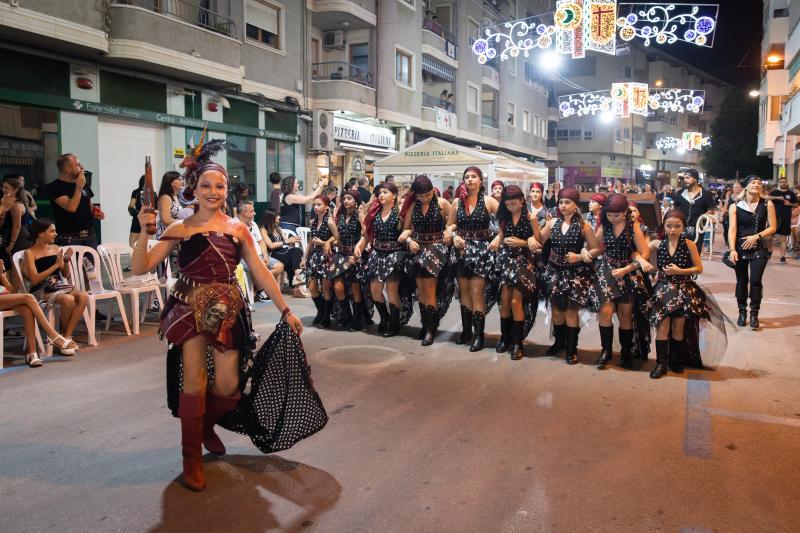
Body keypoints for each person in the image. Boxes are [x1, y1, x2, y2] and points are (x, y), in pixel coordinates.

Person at [131, 139, 315, 493]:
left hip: (227, 312)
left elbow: (260, 272)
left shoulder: (237, 229)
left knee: (229, 386)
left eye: (219, 186)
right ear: (194, 189)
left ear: (227, 190)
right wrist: (143, 231)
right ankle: (191, 458)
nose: (213, 192)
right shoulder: (180, 228)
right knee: (194, 381)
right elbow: (141, 266)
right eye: (206, 186)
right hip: (188, 309)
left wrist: (286, 309)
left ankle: (204, 425)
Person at [644, 209, 711, 378]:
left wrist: (680, 271)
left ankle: (675, 360)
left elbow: (699, 268)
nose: (673, 229)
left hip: (683, 289)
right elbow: (639, 253)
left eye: (677, 226)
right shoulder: (657, 243)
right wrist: (643, 262)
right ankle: (661, 364)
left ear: (683, 227)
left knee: (678, 328)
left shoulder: (689, 244)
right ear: (663, 226)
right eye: (669, 226)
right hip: (663, 289)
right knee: (662, 326)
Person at [540, 188, 602, 364]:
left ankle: (571, 348)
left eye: (567, 202)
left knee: (571, 311)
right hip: (554, 271)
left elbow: (596, 249)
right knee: (556, 310)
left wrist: (580, 256)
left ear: (576, 205)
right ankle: (559, 342)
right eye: (560, 202)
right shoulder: (552, 223)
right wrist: (532, 233)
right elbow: (539, 241)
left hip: (576, 274)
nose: (563, 205)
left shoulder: (584, 225)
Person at [590, 194, 652, 370]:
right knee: (605, 311)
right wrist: (585, 252)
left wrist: (627, 269)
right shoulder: (605, 226)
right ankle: (606, 350)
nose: (612, 218)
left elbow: (645, 254)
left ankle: (626, 352)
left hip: (628, 272)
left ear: (625, 212)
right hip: (607, 270)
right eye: (609, 215)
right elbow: (595, 246)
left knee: (625, 314)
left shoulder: (634, 227)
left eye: (616, 215)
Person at [447, 166, 499, 351]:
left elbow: (506, 222)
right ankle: (466, 331)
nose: (470, 179)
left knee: (477, 292)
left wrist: (498, 238)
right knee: (464, 292)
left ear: (480, 181)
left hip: (482, 253)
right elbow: (450, 225)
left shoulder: (489, 201)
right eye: (467, 177)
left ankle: (479, 335)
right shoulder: (456, 202)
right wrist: (454, 236)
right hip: (461, 252)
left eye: (473, 176)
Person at [399, 175, 453, 346]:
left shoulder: (443, 203)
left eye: (427, 195)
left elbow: (453, 223)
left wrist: (448, 231)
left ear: (433, 191)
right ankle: (426, 325)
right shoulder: (413, 206)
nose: (424, 199)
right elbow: (406, 229)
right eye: (420, 196)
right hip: (417, 249)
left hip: (436, 250)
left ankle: (431, 329)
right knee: (421, 291)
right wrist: (409, 240)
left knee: (429, 291)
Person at [491, 185, 541, 360]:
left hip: (524, 262)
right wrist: (498, 238)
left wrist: (523, 242)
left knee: (515, 302)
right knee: (504, 301)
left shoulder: (530, 218)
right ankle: (505, 338)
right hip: (506, 260)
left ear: (522, 200)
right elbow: (501, 234)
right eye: (507, 204)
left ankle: (517, 343)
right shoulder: (504, 217)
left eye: (513, 203)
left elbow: (539, 244)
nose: (511, 207)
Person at [23, 219, 90, 346]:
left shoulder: (55, 248)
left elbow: (65, 274)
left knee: (84, 296)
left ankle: (65, 336)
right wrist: (56, 265)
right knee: (67, 299)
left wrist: (66, 260)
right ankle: (64, 340)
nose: (55, 234)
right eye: (52, 231)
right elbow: (35, 279)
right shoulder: (30, 253)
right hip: (41, 289)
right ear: (40, 233)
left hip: (57, 286)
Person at [0, 259, 78, 366]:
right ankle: (53, 335)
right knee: (29, 297)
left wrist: (1, 274)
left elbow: (10, 290)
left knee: (27, 309)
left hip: (4, 298)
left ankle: (31, 353)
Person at [358, 183, 410, 337]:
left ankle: (394, 324)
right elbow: (368, 235)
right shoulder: (375, 212)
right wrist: (360, 247)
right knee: (375, 291)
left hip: (395, 255)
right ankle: (384, 318)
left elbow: (409, 229)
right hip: (377, 254)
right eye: (380, 193)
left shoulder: (400, 212)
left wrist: (407, 235)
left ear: (394, 195)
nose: (381, 195)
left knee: (391, 290)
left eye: (385, 192)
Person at [727, 175, 777, 330]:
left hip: (759, 248)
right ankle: (742, 312)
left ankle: (754, 313)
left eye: (759, 183)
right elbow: (732, 230)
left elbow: (773, 227)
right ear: (746, 186)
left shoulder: (767, 204)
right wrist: (732, 249)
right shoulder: (735, 206)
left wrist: (756, 236)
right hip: (740, 248)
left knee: (755, 281)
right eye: (753, 182)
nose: (757, 184)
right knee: (741, 282)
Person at [328, 188, 370, 331]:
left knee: (355, 288)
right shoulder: (340, 216)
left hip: (355, 255)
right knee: (338, 287)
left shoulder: (359, 215)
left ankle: (358, 320)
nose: (345, 201)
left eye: (349, 198)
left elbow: (366, 236)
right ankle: (348, 317)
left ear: (356, 201)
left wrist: (356, 255)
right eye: (344, 198)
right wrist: (328, 242)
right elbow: (338, 237)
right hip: (341, 254)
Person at [45, 154, 105, 248]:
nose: (82, 167)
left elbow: (89, 205)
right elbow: (72, 207)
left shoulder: (83, 183)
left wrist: (96, 212)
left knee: (94, 258)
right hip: (69, 238)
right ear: (68, 169)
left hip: (90, 236)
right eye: (78, 165)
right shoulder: (55, 187)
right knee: (72, 259)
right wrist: (79, 187)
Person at [301, 196, 338, 328]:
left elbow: (337, 238)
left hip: (326, 256)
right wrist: (304, 257)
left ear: (326, 207)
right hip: (313, 257)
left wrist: (325, 242)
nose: (316, 207)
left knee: (326, 288)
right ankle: (321, 311)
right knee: (312, 287)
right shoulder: (313, 221)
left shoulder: (330, 221)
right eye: (314, 205)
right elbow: (311, 241)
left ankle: (326, 317)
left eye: (319, 204)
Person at [235, 200, 283, 300]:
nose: (255, 213)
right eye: (252, 211)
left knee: (279, 266)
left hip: (259, 255)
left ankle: (259, 286)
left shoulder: (253, 224)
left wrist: (265, 256)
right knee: (259, 267)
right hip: (245, 258)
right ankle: (262, 290)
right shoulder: (233, 225)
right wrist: (257, 260)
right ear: (244, 213)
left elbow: (261, 242)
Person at [672, 168, 715, 253]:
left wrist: (704, 216)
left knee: (694, 255)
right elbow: (675, 208)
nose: (685, 180)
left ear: (695, 179)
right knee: (679, 254)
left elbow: (711, 209)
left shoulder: (705, 194)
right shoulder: (680, 193)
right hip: (681, 228)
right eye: (684, 178)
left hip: (697, 230)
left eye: (688, 178)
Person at [259, 209, 304, 288]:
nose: (279, 217)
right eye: (277, 215)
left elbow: (286, 241)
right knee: (294, 254)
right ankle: (298, 279)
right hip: (273, 254)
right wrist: (286, 241)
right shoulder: (263, 229)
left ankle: (297, 278)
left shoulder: (278, 228)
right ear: (271, 217)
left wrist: (293, 241)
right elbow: (270, 245)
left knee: (296, 251)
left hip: (282, 252)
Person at [0, 177, 32, 288]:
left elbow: (16, 226)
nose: (3, 190)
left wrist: (11, 244)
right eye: (3, 187)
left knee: (16, 270)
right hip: (12, 237)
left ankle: (17, 294)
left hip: (19, 238)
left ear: (15, 190)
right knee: (14, 270)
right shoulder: (8, 203)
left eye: (6, 188)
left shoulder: (16, 205)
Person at [764, 176, 798, 263]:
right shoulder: (775, 192)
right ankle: (769, 250)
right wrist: (777, 198)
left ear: (787, 182)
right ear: (779, 183)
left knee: (783, 238)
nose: (783, 183)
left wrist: (790, 204)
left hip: (786, 218)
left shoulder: (791, 193)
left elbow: (796, 204)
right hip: (774, 218)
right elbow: (766, 197)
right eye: (782, 182)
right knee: (768, 237)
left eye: (785, 181)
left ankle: (783, 257)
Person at [156, 171, 184, 238]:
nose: (182, 181)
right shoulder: (165, 198)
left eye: (182, 179)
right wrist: (185, 221)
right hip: (166, 236)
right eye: (179, 179)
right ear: (171, 183)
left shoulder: (176, 197)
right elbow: (166, 220)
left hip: (175, 234)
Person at [128, 175, 145, 248]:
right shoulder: (136, 192)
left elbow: (131, 207)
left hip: (140, 220)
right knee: (133, 244)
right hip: (141, 220)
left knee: (133, 244)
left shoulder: (136, 192)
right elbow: (131, 207)